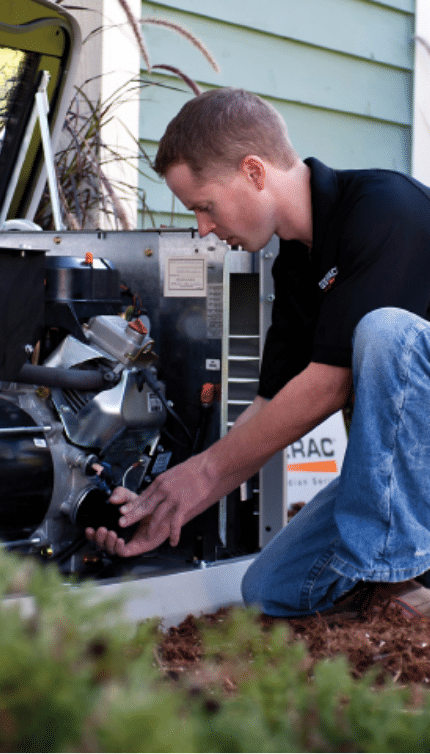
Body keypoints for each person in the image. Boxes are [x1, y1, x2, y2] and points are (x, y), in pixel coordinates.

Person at [86, 87, 430, 617]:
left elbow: (329, 383)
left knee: (386, 333)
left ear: (253, 172)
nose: (203, 227)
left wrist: (201, 474)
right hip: (399, 479)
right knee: (271, 588)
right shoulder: (294, 266)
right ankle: (389, 575)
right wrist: (172, 500)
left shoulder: (386, 208)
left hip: (418, 464)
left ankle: (397, 585)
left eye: (204, 206)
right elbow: (271, 407)